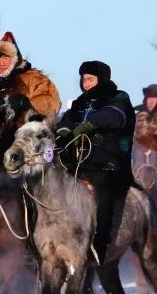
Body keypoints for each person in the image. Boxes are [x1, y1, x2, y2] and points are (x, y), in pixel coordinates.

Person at [56, 61, 135, 265]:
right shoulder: (81, 102)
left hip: (108, 161)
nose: (86, 84)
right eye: (84, 80)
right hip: (80, 162)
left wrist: (89, 124)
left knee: (101, 191)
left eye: (90, 79)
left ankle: (100, 245)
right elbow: (68, 118)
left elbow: (115, 115)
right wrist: (64, 130)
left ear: (102, 79)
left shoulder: (118, 97)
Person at [0, 31, 61, 155]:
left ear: (14, 59)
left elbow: (52, 103)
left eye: (5, 58)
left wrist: (26, 103)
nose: (1, 63)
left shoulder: (33, 78)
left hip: (28, 138)